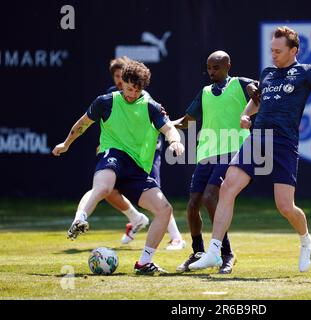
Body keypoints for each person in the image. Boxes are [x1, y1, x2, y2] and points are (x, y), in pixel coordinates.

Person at [189, 26, 311, 273]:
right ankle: (215, 251)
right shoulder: (268, 73)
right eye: (271, 50)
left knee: (284, 206)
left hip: (284, 143)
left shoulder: (306, 73)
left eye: (278, 51)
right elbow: (257, 100)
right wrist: (246, 114)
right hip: (257, 138)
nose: (273, 55)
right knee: (228, 187)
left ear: (294, 50)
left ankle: (306, 240)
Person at [52, 60, 185, 274]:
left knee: (164, 210)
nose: (132, 94)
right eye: (129, 88)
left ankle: (144, 263)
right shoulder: (105, 102)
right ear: (121, 82)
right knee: (104, 188)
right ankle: (80, 218)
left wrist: (175, 141)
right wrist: (66, 143)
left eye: (137, 90)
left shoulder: (150, 106)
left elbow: (169, 128)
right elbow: (82, 124)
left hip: (137, 169)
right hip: (113, 155)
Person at [80, 56, 186, 249]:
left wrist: (174, 136)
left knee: (157, 197)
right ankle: (136, 219)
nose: (120, 81)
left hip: (147, 151)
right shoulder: (111, 97)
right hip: (121, 155)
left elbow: (161, 122)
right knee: (108, 190)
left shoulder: (143, 97)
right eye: (117, 76)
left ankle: (176, 237)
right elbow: (112, 127)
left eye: (123, 76)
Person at [172, 50, 258, 274]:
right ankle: (198, 251)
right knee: (192, 206)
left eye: (216, 67)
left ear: (228, 65)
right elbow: (186, 120)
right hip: (206, 153)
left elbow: (260, 91)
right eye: (209, 67)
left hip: (233, 150)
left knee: (211, 197)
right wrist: (164, 123)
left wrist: (255, 91)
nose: (211, 71)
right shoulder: (205, 92)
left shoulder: (240, 83)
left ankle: (226, 253)